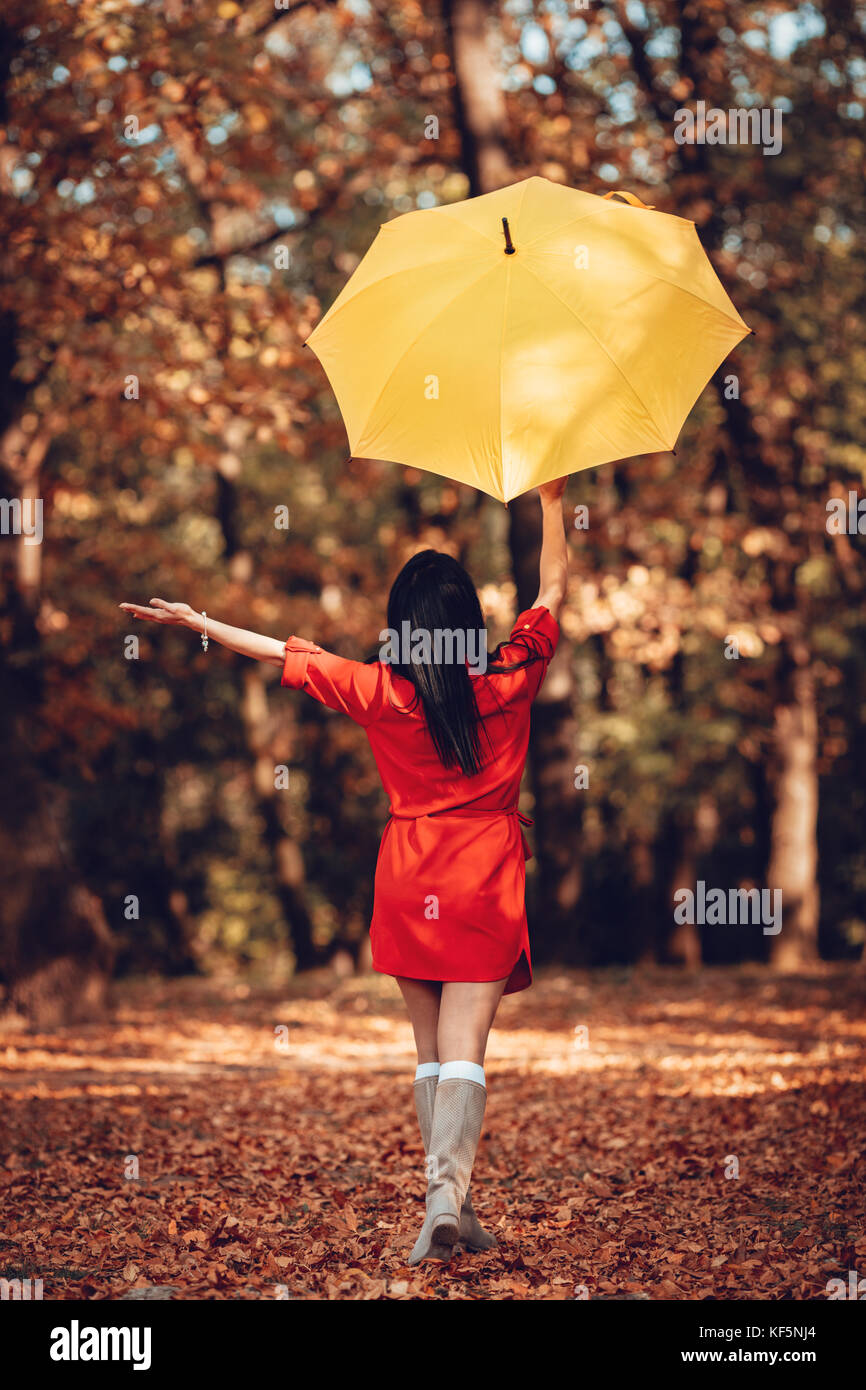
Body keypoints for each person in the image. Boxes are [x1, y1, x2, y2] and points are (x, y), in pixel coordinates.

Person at [120, 475, 569, 1265]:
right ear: (467, 624)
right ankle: (446, 1201)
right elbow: (553, 588)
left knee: (429, 1054)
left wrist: (197, 621)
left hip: (408, 878)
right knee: (466, 1052)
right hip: (483, 880)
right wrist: (555, 501)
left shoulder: (380, 691)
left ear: (403, 627)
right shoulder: (510, 679)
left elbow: (288, 652)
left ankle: (448, 1207)